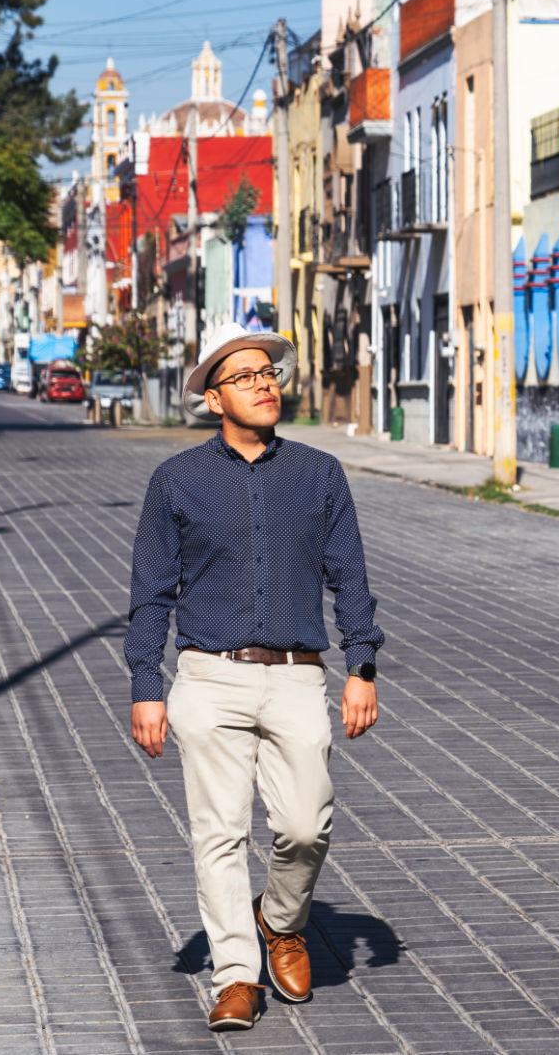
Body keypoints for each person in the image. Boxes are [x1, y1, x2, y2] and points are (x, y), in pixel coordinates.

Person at [126, 321, 385, 1032]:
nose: (264, 383)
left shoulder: (317, 473)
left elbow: (351, 579)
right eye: (244, 376)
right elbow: (151, 592)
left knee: (306, 825)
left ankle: (279, 920)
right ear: (214, 399)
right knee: (219, 833)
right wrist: (146, 684)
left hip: (298, 676)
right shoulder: (177, 480)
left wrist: (361, 665)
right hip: (208, 678)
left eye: (268, 372)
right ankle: (236, 974)